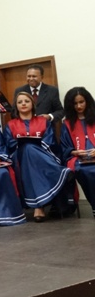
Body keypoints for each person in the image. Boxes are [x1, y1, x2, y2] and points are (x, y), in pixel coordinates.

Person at [4, 92, 72, 222]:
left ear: (32, 104)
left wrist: (34, 146)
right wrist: (24, 144)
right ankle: (60, 172)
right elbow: (9, 144)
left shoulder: (43, 121)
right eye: (20, 102)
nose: (23, 104)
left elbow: (50, 142)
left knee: (31, 151)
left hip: (42, 156)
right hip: (18, 158)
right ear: (16, 106)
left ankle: (38, 207)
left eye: (26, 101)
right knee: (27, 148)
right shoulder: (11, 124)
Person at [61, 87, 95, 218]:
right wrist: (75, 152)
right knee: (86, 172)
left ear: (88, 101)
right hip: (79, 160)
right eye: (75, 103)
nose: (79, 106)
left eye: (81, 102)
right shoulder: (67, 124)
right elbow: (64, 147)